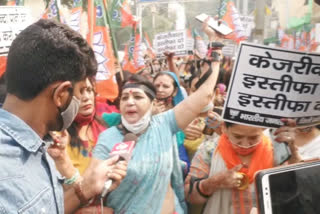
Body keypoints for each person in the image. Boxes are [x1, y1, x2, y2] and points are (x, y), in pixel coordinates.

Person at [0, 19, 126, 213]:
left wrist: (88, 186)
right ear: (61, 94)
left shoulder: (42, 144)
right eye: (80, 91)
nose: (84, 99)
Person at [92, 29, 221, 213]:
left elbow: (204, 96)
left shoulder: (164, 124)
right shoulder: (108, 138)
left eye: (137, 96)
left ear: (152, 103)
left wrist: (215, 57)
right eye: (125, 98)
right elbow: (92, 186)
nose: (130, 102)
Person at [185, 120, 300, 214]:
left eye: (253, 138)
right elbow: (188, 195)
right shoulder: (209, 150)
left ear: (263, 130)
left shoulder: (276, 150)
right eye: (237, 136)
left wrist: (293, 152)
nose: (245, 145)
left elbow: (292, 189)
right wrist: (214, 182)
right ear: (224, 127)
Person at [66, 77, 108, 174]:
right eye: (80, 92)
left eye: (89, 90)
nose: (86, 97)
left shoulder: (105, 126)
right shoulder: (59, 137)